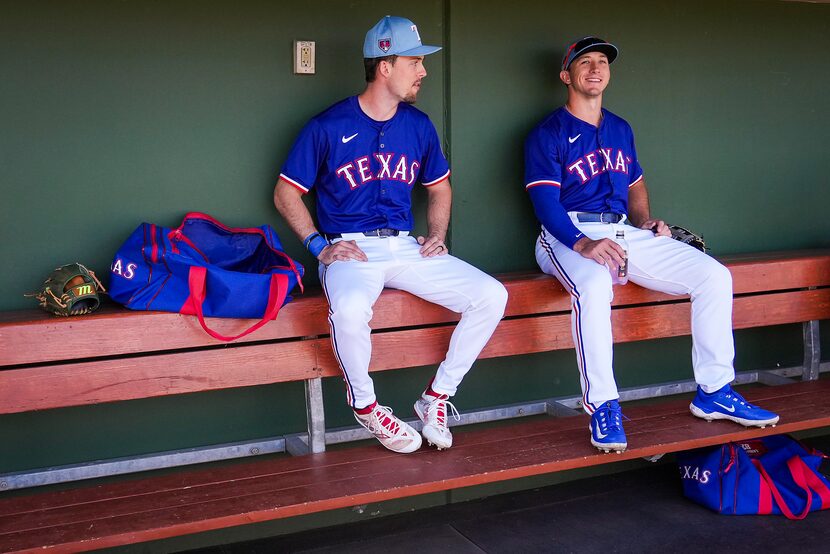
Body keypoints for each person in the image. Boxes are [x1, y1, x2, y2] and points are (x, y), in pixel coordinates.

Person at [524, 36, 779, 453]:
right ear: (566, 75)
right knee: (594, 285)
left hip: (623, 231)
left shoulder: (620, 128)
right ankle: (604, 405)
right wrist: (583, 244)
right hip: (566, 234)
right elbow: (544, 203)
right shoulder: (548, 132)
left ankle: (714, 391)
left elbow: (636, 184)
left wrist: (645, 222)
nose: (595, 69)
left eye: (602, 61)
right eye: (584, 62)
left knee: (713, 276)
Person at [274, 15, 508, 454]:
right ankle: (366, 407)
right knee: (347, 308)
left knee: (491, 295)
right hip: (351, 248)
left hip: (405, 245)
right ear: (384, 65)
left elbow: (440, 188)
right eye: (414, 61)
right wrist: (319, 246)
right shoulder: (326, 125)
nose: (422, 70)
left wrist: (436, 233)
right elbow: (287, 193)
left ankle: (436, 397)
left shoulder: (417, 126)